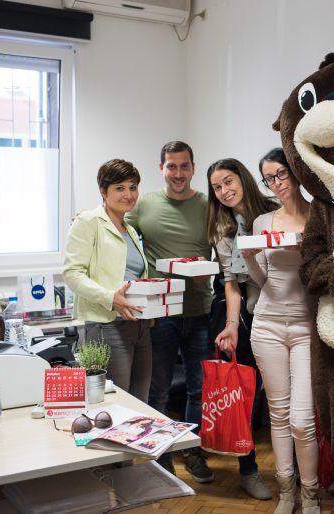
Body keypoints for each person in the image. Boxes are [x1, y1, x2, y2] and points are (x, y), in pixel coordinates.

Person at [125, 141, 214, 483]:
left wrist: (212, 269)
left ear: (193, 168)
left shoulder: (208, 205)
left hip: (200, 310)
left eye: (184, 166)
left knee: (198, 390)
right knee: (158, 390)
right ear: (161, 168)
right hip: (160, 313)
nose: (178, 173)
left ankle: (192, 450)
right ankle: (162, 455)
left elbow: (225, 247)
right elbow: (115, 228)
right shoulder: (143, 205)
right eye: (171, 166)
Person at [240, 148, 319, 514]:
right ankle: (287, 492)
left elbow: (323, 275)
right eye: (269, 178)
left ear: (295, 172)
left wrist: (309, 251)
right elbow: (262, 280)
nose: (276, 183)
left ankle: (311, 494)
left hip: (306, 325)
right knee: (279, 414)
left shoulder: (320, 216)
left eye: (281, 174)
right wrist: (249, 261)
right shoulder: (262, 222)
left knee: (303, 420)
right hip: (267, 324)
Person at [207, 157, 277, 501]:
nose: (224, 191)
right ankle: (249, 470)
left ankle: (295, 474)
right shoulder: (223, 229)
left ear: (243, 179)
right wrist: (232, 325)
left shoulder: (274, 212)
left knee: (286, 403)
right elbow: (231, 283)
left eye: (228, 182)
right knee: (245, 400)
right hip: (252, 317)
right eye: (217, 187)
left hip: (287, 314)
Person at [64, 159, 151, 402]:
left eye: (133, 187)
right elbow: (72, 273)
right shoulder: (88, 221)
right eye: (119, 188)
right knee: (114, 403)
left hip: (139, 326)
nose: (128, 195)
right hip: (107, 325)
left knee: (141, 402)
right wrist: (110, 298)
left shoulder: (130, 229)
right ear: (103, 191)